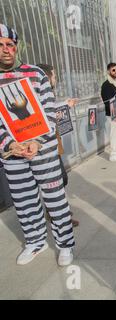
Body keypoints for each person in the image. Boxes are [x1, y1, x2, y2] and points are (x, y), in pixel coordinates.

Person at [0, 24, 74, 266]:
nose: (5, 50)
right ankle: (35, 241)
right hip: (13, 154)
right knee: (24, 201)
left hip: (43, 150)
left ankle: (65, 245)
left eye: (9, 44)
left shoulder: (36, 74)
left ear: (16, 46)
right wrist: (10, 144)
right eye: (0, 45)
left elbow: (50, 112)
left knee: (55, 198)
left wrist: (37, 141)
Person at [37, 63, 80, 228]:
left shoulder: (48, 93)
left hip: (53, 144)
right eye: (54, 76)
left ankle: (55, 211)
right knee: (57, 180)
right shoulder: (39, 93)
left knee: (61, 179)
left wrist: (65, 105)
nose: (55, 79)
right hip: (44, 146)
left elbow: (50, 110)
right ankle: (57, 215)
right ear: (47, 77)